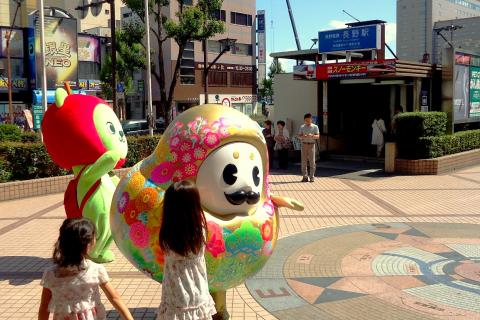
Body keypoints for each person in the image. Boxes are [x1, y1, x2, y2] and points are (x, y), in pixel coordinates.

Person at [38, 218, 133, 320]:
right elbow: (115, 298)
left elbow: (44, 307)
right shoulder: (96, 270)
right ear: (87, 245)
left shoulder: (51, 274)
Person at [158, 180, 216, 320]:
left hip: (175, 296)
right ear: (194, 205)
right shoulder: (200, 231)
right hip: (198, 291)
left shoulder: (167, 234)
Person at [298, 113, 320, 182]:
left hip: (311, 145)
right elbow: (299, 136)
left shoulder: (315, 127)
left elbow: (318, 136)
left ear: (311, 119)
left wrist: (312, 136)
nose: (307, 122)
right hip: (304, 144)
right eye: (306, 120)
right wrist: (302, 137)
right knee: (303, 161)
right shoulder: (302, 127)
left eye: (308, 120)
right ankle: (305, 176)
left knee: (312, 161)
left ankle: (312, 176)